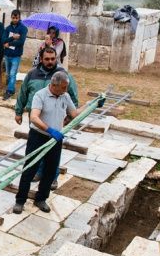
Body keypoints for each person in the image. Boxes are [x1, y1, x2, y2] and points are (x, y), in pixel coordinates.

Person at [13, 71, 97, 215]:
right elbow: (34, 117)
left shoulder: (65, 96)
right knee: (30, 169)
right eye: (63, 87)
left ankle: (41, 199)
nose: (66, 90)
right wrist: (50, 130)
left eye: (66, 87)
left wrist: (91, 105)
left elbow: (75, 114)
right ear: (54, 85)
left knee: (50, 170)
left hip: (55, 140)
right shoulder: (41, 95)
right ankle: (20, 201)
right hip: (38, 137)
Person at [15, 47, 79, 190]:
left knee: (54, 154)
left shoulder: (63, 75)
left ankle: (52, 178)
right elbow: (23, 93)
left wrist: (68, 118)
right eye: (47, 59)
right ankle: (38, 172)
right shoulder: (32, 74)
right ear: (41, 59)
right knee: (36, 151)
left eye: (53, 59)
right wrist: (18, 111)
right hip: (36, 118)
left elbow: (73, 98)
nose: (50, 62)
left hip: (55, 121)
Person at [2, 9, 28, 100]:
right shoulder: (8, 28)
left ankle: (9, 90)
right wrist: (12, 37)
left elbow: (21, 42)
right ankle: (11, 89)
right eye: (13, 17)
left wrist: (9, 44)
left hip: (16, 55)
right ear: (11, 17)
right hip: (7, 54)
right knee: (8, 74)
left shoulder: (23, 28)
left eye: (17, 18)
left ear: (19, 17)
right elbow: (3, 40)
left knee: (13, 73)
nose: (15, 19)